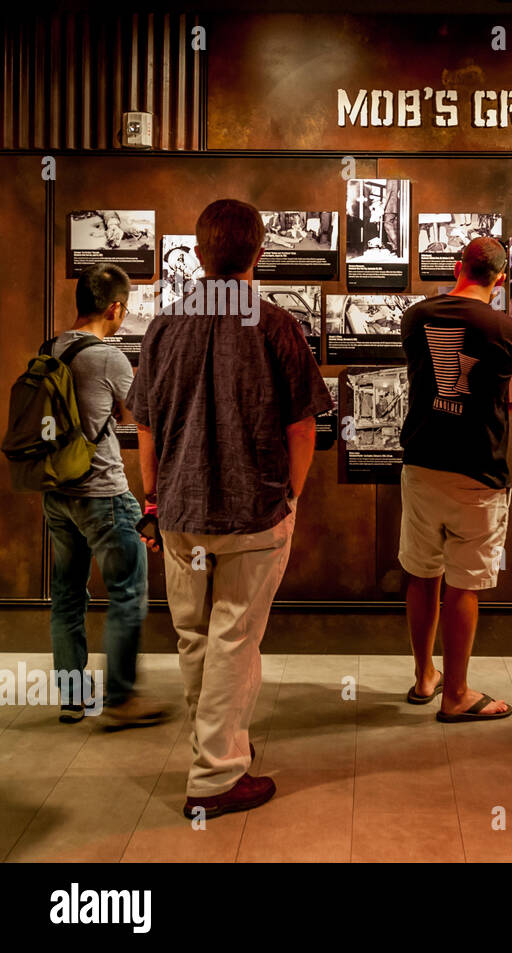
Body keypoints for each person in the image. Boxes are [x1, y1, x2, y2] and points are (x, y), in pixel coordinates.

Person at [127, 199, 332, 819]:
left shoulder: (164, 326)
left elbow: (146, 429)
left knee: (195, 636)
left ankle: (214, 748)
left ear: (198, 253)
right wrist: (290, 496)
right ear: (259, 252)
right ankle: (216, 774)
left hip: (181, 510)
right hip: (253, 512)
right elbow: (303, 429)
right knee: (235, 637)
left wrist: (154, 498)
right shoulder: (276, 325)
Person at [399, 237, 512, 723]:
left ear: (458, 267)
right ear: (499, 280)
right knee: (464, 584)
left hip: (421, 463)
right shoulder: (511, 331)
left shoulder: (416, 317)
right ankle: (456, 693)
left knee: (421, 572)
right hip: (479, 471)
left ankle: (423, 678)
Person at [42, 264, 169, 728]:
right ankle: (120, 699)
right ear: (114, 308)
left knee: (67, 597)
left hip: (57, 494)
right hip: (103, 494)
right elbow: (139, 415)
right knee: (128, 591)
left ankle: (73, 698)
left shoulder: (49, 348)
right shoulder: (109, 358)